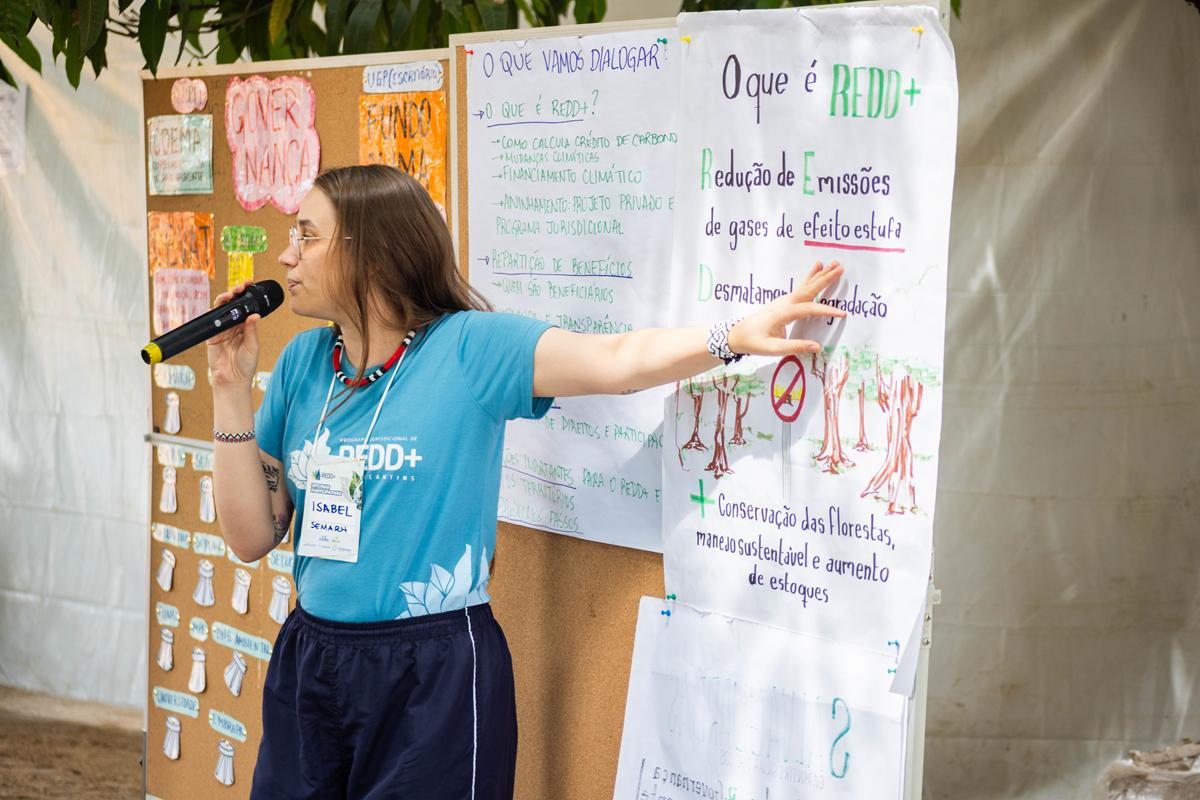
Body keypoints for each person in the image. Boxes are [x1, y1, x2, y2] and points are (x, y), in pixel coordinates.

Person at [207, 164, 845, 799]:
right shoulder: (303, 364)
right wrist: (229, 388)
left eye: (306, 235)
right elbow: (250, 536)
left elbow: (615, 361)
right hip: (313, 657)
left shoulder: (469, 349)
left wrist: (732, 336)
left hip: (430, 671)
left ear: (371, 252)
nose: (286, 256)